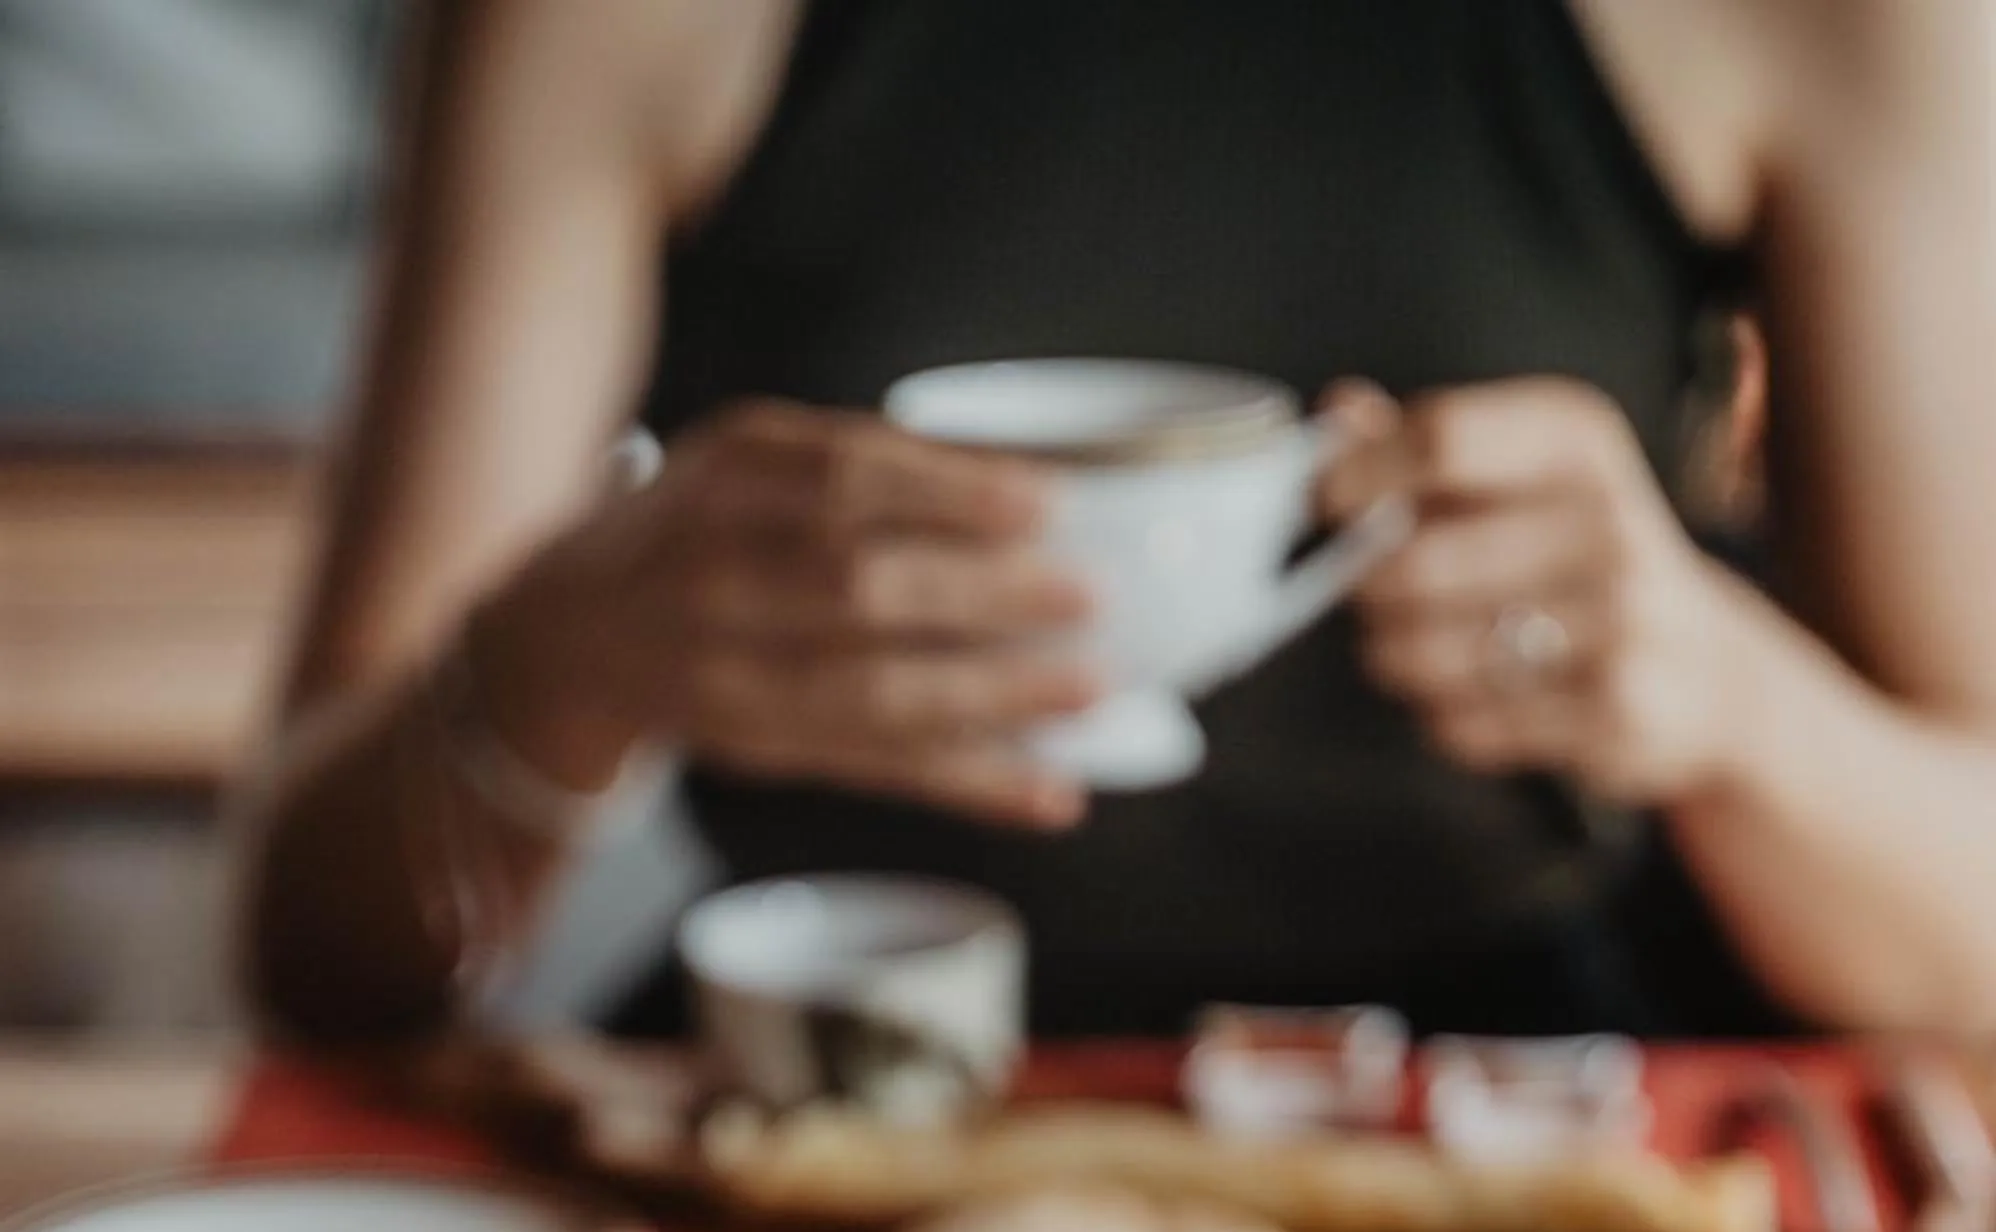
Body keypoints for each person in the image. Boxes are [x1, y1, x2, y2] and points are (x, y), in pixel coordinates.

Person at [242, 0, 1996, 1045]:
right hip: (816, 1104)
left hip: (1531, 1117)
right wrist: (564, 656)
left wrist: (1727, 700)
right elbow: (311, 954)